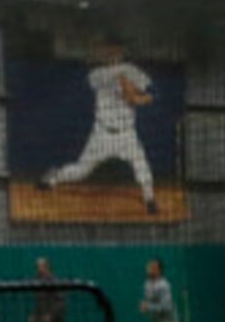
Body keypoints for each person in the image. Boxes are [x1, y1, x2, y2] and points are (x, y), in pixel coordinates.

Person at [40, 37, 160, 214]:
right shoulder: (97, 74)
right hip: (102, 133)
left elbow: (153, 93)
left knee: (141, 165)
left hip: (127, 134)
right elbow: (123, 87)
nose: (113, 55)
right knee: (81, 171)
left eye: (116, 51)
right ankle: (53, 177)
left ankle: (149, 199)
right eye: (109, 51)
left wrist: (139, 98)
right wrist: (129, 86)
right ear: (103, 53)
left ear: (122, 52)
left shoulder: (132, 70)